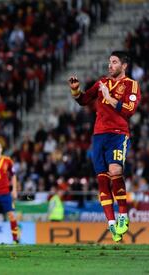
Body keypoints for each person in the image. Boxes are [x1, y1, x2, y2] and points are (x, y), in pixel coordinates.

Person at [68, 51, 141, 242]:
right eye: (109, 62)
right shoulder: (102, 82)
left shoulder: (131, 85)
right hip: (99, 135)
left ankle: (123, 216)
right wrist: (75, 90)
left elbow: (129, 110)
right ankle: (111, 224)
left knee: (116, 171)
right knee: (102, 179)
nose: (110, 66)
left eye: (115, 62)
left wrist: (108, 98)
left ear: (124, 66)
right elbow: (84, 100)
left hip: (118, 134)